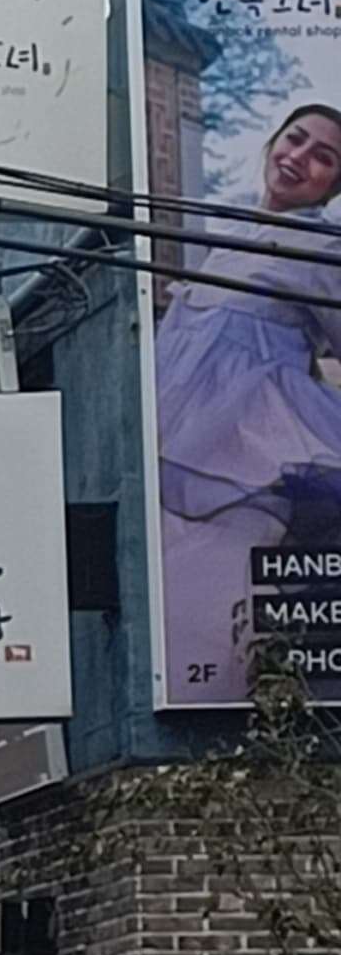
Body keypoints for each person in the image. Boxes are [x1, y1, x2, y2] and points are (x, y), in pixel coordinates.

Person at [153, 103, 341, 700]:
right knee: (163, 610)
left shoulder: (320, 244)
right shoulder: (224, 232)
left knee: (217, 605)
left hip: (252, 456)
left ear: (333, 185)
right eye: (295, 139)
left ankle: (223, 739)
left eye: (323, 158)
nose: (298, 159)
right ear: (271, 143)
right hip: (171, 447)